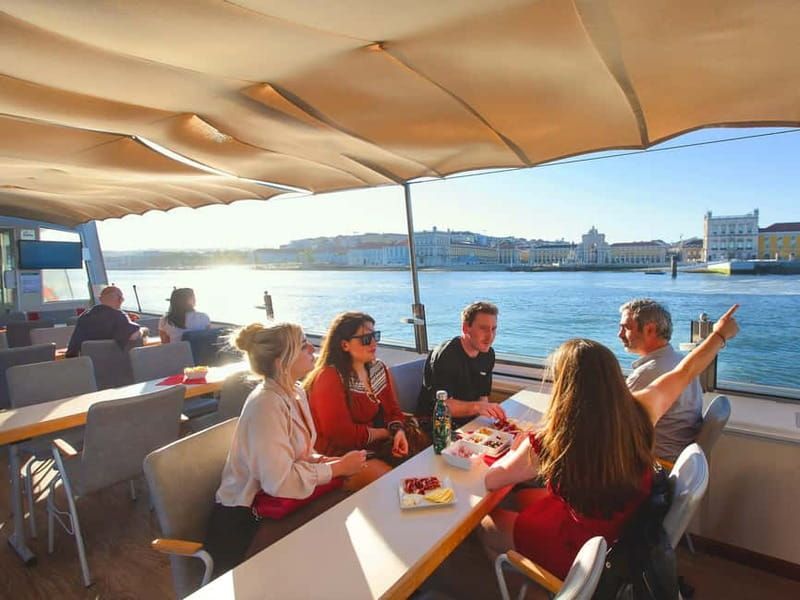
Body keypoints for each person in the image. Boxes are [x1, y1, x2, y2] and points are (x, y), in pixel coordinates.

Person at [478, 305, 740, 581]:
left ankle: (537, 583)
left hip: (578, 549)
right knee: (522, 498)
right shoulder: (643, 409)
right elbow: (686, 371)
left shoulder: (553, 439)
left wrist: (518, 447)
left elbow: (492, 479)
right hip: (620, 535)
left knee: (486, 524)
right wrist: (719, 335)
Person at [205, 322, 367, 578]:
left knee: (346, 506)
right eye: (303, 346)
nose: (311, 348)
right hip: (248, 524)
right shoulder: (265, 405)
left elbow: (301, 455)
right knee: (339, 522)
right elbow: (278, 482)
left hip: (280, 506)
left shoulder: (295, 392)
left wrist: (329, 462)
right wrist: (337, 468)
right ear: (281, 363)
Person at [306, 312, 409, 485]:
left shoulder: (377, 368)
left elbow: (393, 410)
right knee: (394, 483)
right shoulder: (329, 377)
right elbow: (342, 434)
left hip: (375, 446)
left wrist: (398, 432)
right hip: (341, 458)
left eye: (375, 336)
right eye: (366, 339)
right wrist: (384, 433)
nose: (374, 343)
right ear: (345, 345)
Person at [619, 298, 703, 462]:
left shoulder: (646, 374)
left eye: (626, 328)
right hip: (680, 459)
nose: (620, 334)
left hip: (657, 464)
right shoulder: (680, 362)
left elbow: (616, 427)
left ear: (650, 330)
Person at [416, 301, 506, 429]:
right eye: (483, 328)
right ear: (465, 328)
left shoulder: (488, 354)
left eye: (493, 329)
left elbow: (483, 397)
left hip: (467, 422)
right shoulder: (446, 355)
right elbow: (443, 406)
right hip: (436, 425)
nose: (490, 336)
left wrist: (486, 417)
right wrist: (478, 407)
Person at [65, 285, 142, 357]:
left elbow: (72, 350)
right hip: (118, 364)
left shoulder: (84, 317)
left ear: (100, 299)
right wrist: (143, 330)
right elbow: (133, 336)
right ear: (120, 300)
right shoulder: (119, 316)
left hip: (88, 365)